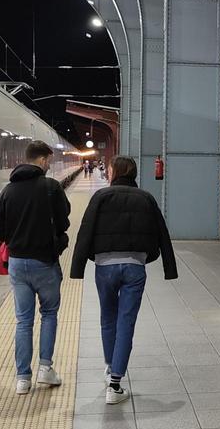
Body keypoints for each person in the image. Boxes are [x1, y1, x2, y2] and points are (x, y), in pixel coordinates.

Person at [70, 156, 177, 404]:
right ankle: (115, 383)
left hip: (105, 267)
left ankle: (110, 367)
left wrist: (77, 267)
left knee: (107, 318)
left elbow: (85, 230)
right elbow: (162, 233)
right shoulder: (146, 198)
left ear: (115, 172)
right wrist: (168, 268)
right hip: (134, 267)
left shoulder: (101, 197)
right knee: (126, 322)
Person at [0, 140, 71, 395]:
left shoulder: (8, 191)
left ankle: (22, 379)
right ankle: (45, 370)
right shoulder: (50, 187)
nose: (49, 164)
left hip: (17, 263)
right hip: (44, 263)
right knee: (48, 314)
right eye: (48, 160)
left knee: (23, 321)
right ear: (42, 160)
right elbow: (64, 220)